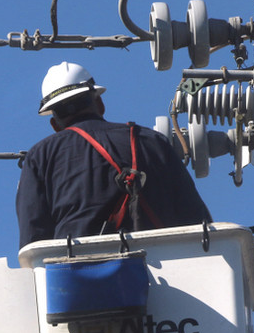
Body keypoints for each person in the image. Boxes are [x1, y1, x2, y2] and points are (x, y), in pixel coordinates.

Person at [16, 62, 211, 249]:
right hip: (160, 264)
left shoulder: (40, 157)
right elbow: (197, 221)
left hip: (75, 268)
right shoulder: (152, 141)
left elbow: (33, 242)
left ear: (55, 125)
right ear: (100, 104)